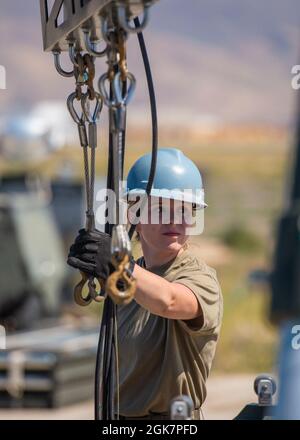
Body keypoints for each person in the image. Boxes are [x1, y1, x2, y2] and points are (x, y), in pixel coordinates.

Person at [68, 147, 223, 420]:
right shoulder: (124, 281)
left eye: (185, 210)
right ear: (135, 216)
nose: (174, 220)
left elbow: (170, 301)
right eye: (161, 208)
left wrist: (120, 265)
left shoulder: (200, 278)